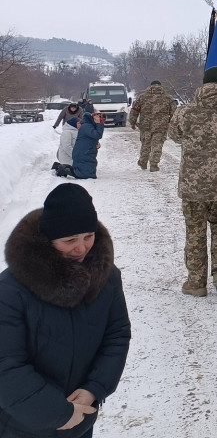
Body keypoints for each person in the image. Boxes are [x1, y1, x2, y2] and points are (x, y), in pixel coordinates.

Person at [0, 184, 131, 438]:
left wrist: (93, 389)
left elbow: (117, 335)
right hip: (21, 426)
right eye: (69, 240)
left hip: (80, 421)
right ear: (48, 240)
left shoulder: (107, 278)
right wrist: (59, 413)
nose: (81, 248)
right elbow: (6, 366)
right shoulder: (11, 290)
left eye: (88, 236)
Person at [168, 66, 217, 297]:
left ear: (204, 83)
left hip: (192, 185)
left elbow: (173, 135)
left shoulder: (185, 111)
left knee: (195, 230)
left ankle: (196, 283)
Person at [128, 79, 176, 171]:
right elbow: (174, 113)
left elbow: (134, 110)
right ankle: (154, 165)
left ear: (150, 86)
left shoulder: (142, 97)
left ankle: (143, 162)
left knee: (145, 144)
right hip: (161, 126)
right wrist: (170, 123)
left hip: (145, 126)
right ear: (161, 86)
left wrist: (132, 122)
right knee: (157, 145)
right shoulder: (168, 98)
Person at [68, 112, 106, 180]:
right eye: (98, 117)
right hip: (83, 153)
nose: (99, 119)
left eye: (102, 119)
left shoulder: (90, 125)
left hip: (86, 152)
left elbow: (91, 138)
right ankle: (63, 169)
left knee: (89, 170)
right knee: (84, 173)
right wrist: (99, 124)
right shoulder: (86, 126)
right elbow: (97, 135)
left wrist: (96, 143)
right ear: (93, 117)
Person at [52, 102, 81, 176]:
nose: (73, 109)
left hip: (74, 126)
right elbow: (60, 117)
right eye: (72, 108)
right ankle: (60, 168)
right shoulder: (66, 133)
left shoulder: (80, 110)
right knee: (77, 172)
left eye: (74, 108)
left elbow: (82, 119)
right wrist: (55, 125)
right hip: (69, 125)